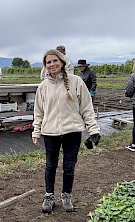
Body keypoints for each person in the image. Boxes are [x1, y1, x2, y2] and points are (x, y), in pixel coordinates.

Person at [32, 49, 100, 213]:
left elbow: (86, 108)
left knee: (69, 166)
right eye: (48, 62)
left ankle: (66, 196)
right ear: (45, 66)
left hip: (72, 131)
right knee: (50, 165)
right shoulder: (43, 87)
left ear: (62, 62)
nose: (52, 64)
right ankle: (49, 196)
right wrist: (36, 131)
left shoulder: (76, 81)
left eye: (55, 61)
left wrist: (93, 129)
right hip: (50, 132)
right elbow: (38, 111)